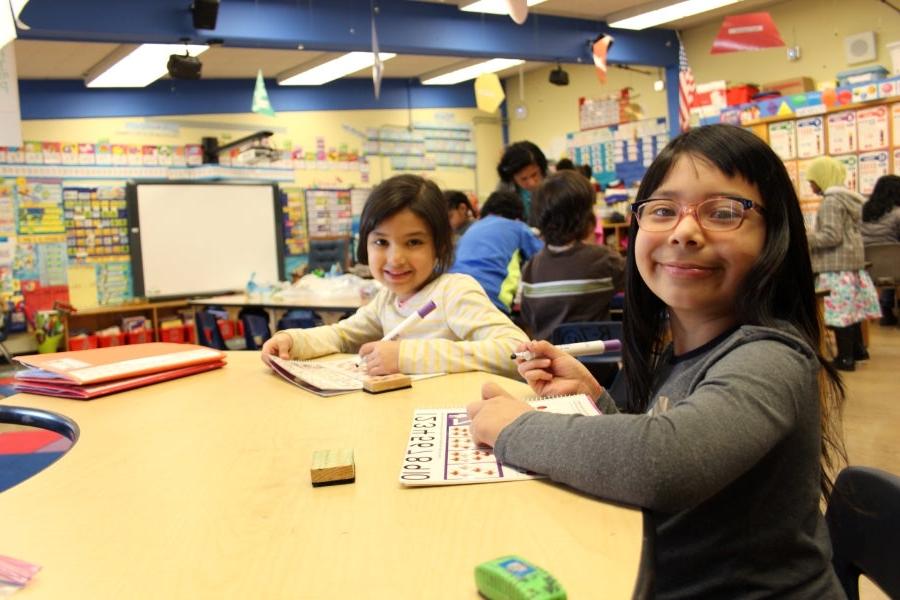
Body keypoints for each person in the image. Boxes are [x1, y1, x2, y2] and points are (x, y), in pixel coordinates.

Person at [467, 124, 847, 598]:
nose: (685, 231)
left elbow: (667, 462)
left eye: (724, 212)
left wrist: (515, 428)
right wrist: (595, 398)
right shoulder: (678, 351)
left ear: (775, 237)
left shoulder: (772, 356)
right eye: (663, 210)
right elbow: (664, 436)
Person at [261, 174, 528, 378]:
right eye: (381, 243)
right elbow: (342, 336)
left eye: (413, 243)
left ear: (440, 246)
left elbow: (516, 350)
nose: (395, 259)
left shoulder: (453, 291)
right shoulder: (387, 299)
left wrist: (406, 356)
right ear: (364, 244)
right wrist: (293, 341)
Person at [520, 170, 625, 341]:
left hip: (549, 364)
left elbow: (526, 316)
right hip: (596, 365)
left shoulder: (531, 267)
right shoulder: (603, 260)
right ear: (587, 219)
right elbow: (639, 278)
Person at [807, 156, 882, 370]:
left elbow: (831, 236)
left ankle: (845, 358)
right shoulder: (849, 199)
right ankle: (858, 351)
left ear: (823, 177)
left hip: (835, 267)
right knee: (853, 312)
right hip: (850, 265)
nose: (811, 185)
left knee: (839, 315)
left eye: (812, 180)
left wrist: (806, 238)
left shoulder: (831, 202)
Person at [450, 190, 543, 314]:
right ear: (517, 216)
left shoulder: (471, 229)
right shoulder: (518, 227)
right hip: (490, 300)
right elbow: (544, 257)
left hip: (451, 295)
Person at [860, 174, 900, 326]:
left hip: (868, 268)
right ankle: (887, 306)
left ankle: (886, 308)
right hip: (894, 268)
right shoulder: (897, 213)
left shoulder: (863, 212)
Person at [496, 140, 548, 227]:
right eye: (523, 179)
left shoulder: (553, 183)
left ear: (541, 168)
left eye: (534, 174)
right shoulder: (504, 189)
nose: (532, 183)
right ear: (512, 178)